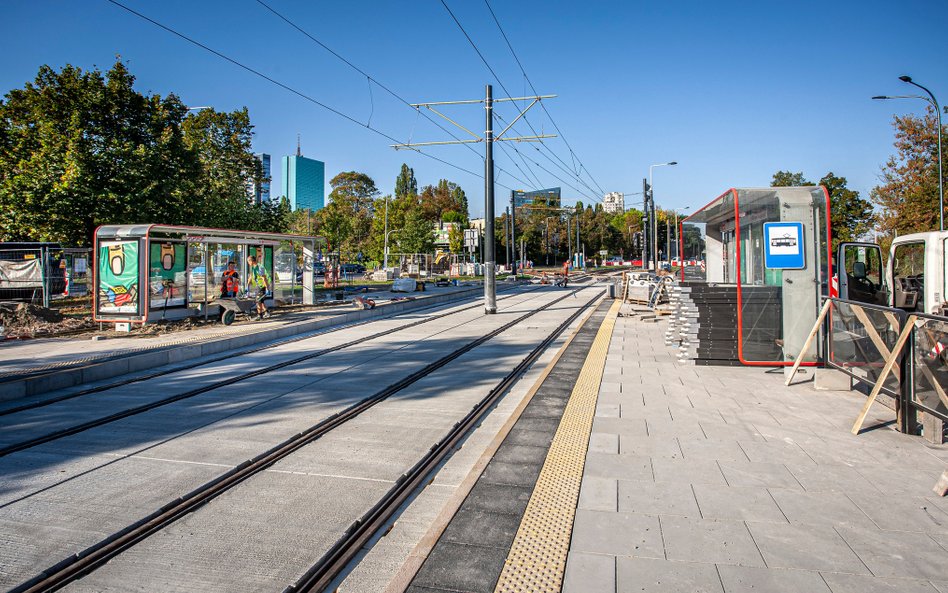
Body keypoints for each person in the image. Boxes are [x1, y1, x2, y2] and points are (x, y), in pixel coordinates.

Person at [246, 255, 272, 319]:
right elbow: (251, 276)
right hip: (258, 286)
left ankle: (259, 315)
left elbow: (264, 278)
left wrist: (267, 288)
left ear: (251, 261)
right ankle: (266, 312)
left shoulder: (260, 267)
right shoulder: (253, 267)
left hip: (262, 286)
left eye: (248, 262)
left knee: (258, 301)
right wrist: (247, 285)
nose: (248, 263)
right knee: (261, 301)